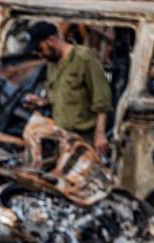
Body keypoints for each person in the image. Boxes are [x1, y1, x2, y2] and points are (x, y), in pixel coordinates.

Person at [22, 21, 113, 158]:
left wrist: (99, 136)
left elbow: (102, 100)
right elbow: (59, 95)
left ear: (51, 40)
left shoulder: (84, 58)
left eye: (40, 49)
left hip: (83, 139)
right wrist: (42, 101)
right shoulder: (52, 63)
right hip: (60, 137)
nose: (40, 54)